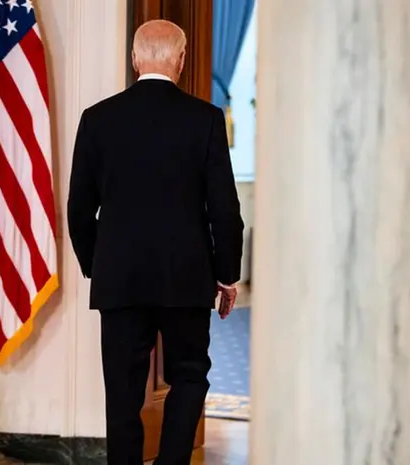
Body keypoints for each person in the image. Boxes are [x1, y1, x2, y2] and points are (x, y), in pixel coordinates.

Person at [67, 19, 244, 465]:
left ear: (134, 58)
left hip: (119, 280)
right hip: (186, 278)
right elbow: (225, 211)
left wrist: (98, 265)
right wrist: (225, 276)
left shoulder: (97, 119)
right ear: (181, 61)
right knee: (188, 377)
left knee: (123, 393)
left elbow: (77, 211)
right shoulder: (204, 119)